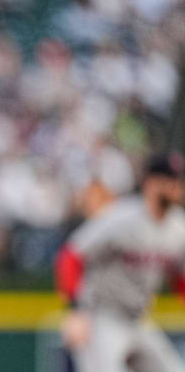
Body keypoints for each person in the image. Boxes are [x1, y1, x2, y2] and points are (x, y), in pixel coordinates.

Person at [56, 151, 185, 372]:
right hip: (101, 315)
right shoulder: (121, 217)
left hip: (138, 318)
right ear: (151, 183)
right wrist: (75, 311)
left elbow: (180, 278)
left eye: (179, 179)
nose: (177, 186)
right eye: (171, 179)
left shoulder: (178, 227)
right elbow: (71, 255)